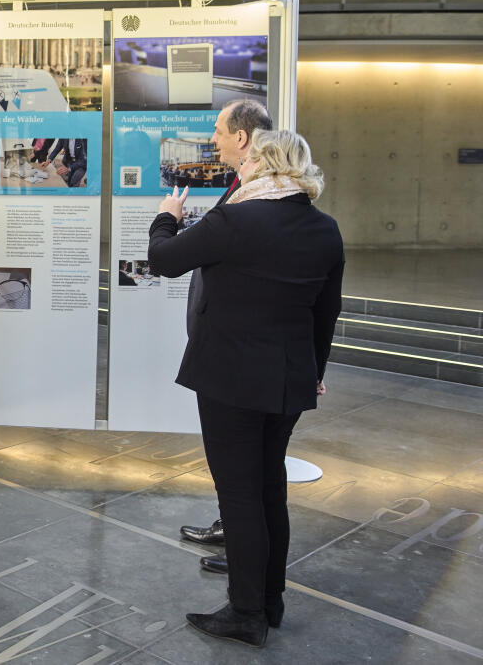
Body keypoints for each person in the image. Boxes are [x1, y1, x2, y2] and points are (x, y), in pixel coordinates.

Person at [148, 130, 344, 647]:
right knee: (267, 490)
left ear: (259, 161)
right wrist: (315, 370)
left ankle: (245, 612)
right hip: (290, 379)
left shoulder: (236, 217)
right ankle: (270, 602)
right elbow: (326, 313)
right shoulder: (325, 229)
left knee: (238, 494)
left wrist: (167, 213)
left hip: (231, 379)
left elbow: (163, 260)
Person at [179, 98, 274, 572]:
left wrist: (169, 222)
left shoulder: (254, 199)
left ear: (241, 137)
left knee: (242, 470)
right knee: (248, 471)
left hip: (238, 357)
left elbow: (169, 258)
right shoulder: (244, 188)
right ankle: (236, 539)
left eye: (218, 131)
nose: (213, 140)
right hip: (253, 354)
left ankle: (245, 561)